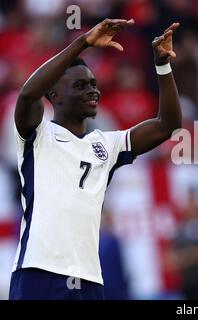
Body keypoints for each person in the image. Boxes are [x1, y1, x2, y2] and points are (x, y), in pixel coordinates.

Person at [9, 18, 182, 300]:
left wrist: (162, 65)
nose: (92, 90)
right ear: (54, 95)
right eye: (80, 85)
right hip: (38, 271)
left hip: (89, 278)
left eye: (93, 84)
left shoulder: (106, 144)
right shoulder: (37, 135)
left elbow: (168, 125)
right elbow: (28, 94)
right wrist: (83, 43)